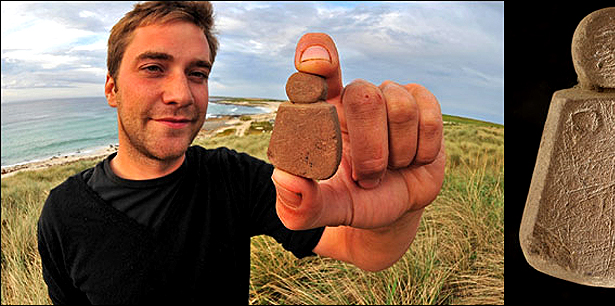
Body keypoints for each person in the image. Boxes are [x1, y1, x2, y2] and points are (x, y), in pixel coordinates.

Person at [37, 1, 445, 304]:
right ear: (112, 89)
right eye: (153, 68)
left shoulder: (232, 178)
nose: (181, 94)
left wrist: (398, 204)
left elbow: (364, 250)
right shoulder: (63, 214)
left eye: (197, 74)